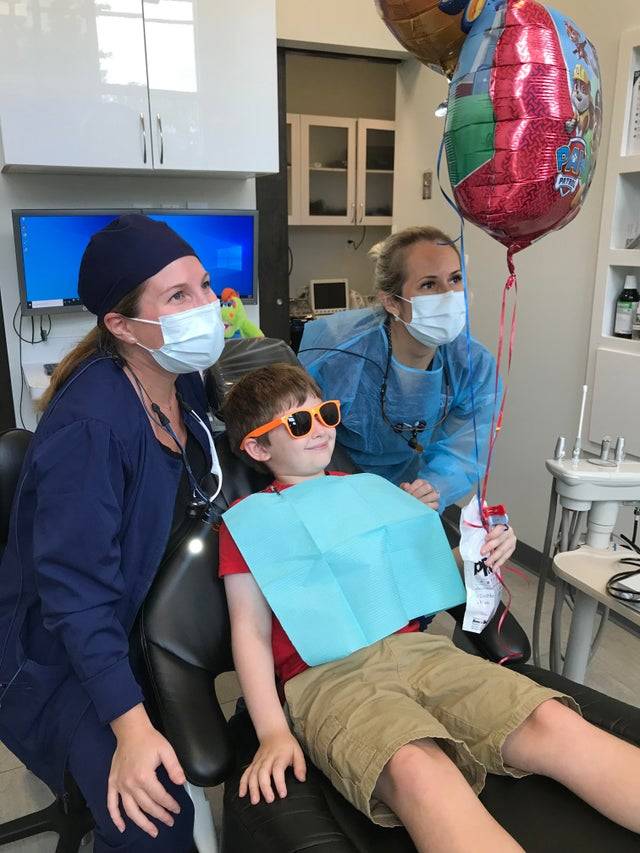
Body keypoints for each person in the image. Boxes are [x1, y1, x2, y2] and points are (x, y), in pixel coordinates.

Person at [218, 364, 640, 853]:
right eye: (298, 423)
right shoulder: (247, 525)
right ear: (257, 447)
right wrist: (271, 732)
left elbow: (428, 574)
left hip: (422, 652)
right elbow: (248, 631)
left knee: (553, 721)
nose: (320, 429)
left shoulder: (372, 491)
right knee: (419, 768)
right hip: (326, 677)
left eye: (326, 414)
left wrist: (480, 551)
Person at [0, 214, 225, 852]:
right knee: (157, 822)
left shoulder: (183, 380)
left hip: (141, 621)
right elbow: (74, 596)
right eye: (178, 296)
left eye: (204, 287)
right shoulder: (94, 426)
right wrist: (129, 728)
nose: (206, 308)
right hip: (56, 656)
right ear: (121, 326)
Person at [299, 226, 498, 513]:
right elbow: (297, 440)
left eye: (455, 279)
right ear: (391, 302)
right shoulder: (341, 359)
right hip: (334, 488)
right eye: (429, 285)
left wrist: (434, 486)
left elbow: (466, 446)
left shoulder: (471, 365)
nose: (448, 295)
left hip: (411, 495)